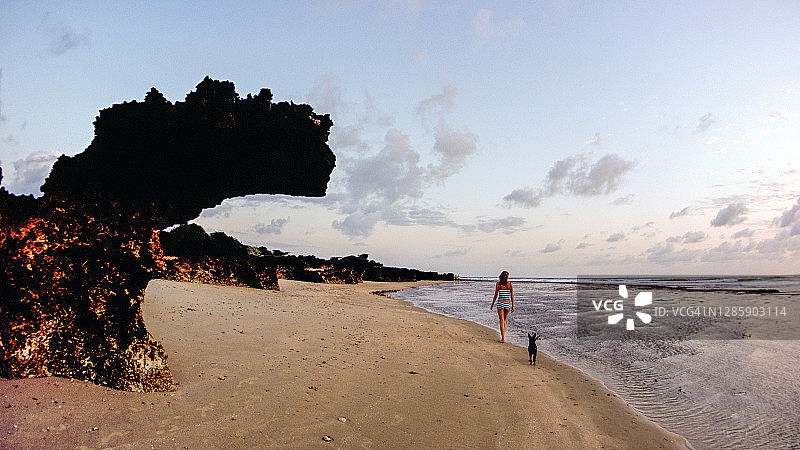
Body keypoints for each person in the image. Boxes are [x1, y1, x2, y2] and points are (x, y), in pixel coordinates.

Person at [490, 271, 514, 342]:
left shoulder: (498, 284)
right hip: (507, 303)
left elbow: (496, 295)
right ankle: (503, 337)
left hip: (500, 303)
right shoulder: (510, 284)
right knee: (504, 320)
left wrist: (492, 304)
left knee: (501, 320)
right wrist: (513, 306)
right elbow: (512, 295)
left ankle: (503, 338)